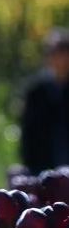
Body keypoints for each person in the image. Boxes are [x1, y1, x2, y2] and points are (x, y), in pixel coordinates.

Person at [20, 28, 69, 174]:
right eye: (53, 53)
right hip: (42, 168)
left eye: (62, 53)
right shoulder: (36, 91)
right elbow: (28, 133)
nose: (57, 59)